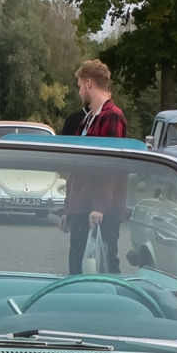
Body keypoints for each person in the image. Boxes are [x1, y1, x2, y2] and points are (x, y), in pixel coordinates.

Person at [60, 60, 127, 275]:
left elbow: (110, 164)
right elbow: (78, 166)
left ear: (89, 83)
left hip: (100, 208)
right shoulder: (89, 118)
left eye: (80, 86)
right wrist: (68, 208)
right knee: (77, 261)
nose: (79, 92)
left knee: (106, 262)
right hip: (83, 205)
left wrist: (100, 205)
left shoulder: (112, 116)